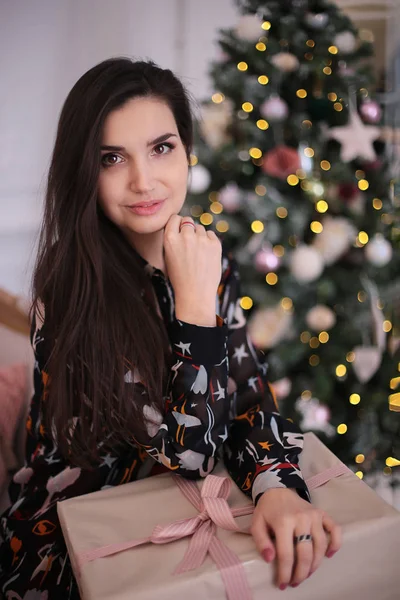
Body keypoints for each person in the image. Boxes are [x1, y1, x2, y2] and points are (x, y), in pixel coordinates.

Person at [0, 57, 341, 598]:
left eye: (162, 148)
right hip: (76, 534)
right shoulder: (68, 293)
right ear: (83, 170)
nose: (143, 181)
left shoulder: (203, 254)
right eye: (112, 158)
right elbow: (188, 456)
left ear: (186, 151)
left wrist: (277, 488)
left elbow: (248, 400)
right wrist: (196, 307)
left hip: (181, 520)